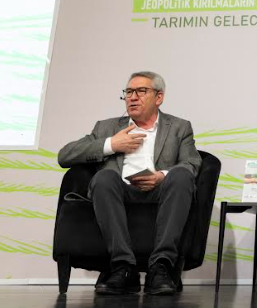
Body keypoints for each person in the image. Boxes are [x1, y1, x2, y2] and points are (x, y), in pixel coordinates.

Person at [58, 71, 200, 295]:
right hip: (119, 190)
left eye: (141, 91)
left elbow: (192, 163)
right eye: (129, 92)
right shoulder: (106, 127)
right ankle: (123, 267)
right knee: (104, 178)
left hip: (161, 190)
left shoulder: (179, 127)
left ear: (159, 97)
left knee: (182, 175)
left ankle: (161, 266)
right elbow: (64, 155)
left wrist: (162, 176)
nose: (132, 97)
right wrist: (111, 144)